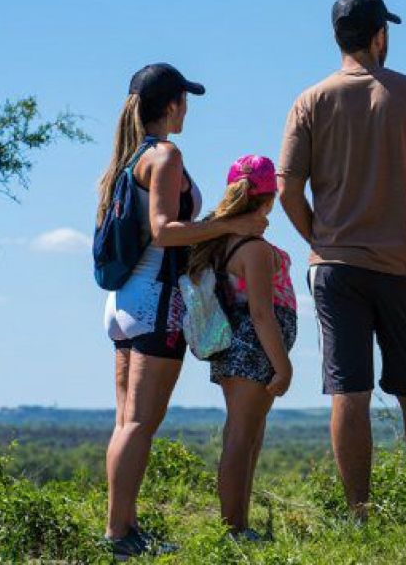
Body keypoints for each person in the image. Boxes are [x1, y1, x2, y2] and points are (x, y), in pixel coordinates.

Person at [277, 0, 406, 523]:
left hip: (335, 269)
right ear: (381, 35)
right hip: (403, 267)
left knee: (347, 390)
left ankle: (361, 513)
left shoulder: (310, 100)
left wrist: (320, 238)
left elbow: (288, 188)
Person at [97, 64, 267, 558]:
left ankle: (123, 524)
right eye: (184, 100)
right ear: (170, 105)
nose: (187, 108)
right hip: (156, 301)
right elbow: (166, 231)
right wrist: (226, 226)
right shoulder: (166, 155)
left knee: (126, 421)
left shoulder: (128, 159)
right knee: (139, 423)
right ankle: (118, 534)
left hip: (124, 302)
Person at [186, 155, 296, 541]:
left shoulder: (221, 243)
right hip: (253, 348)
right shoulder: (252, 249)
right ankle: (234, 529)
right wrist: (283, 366)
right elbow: (262, 314)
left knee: (247, 436)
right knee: (241, 438)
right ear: (270, 199)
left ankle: (240, 524)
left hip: (236, 348)